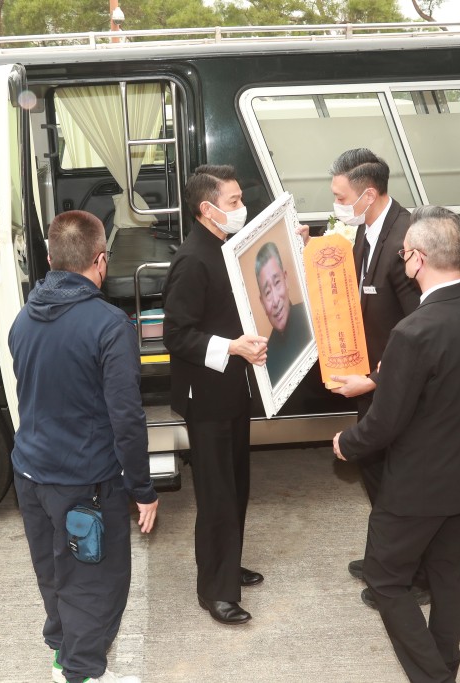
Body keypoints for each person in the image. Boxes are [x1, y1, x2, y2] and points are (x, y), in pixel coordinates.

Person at [333, 206, 460, 683]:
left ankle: (434, 677)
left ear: (415, 258)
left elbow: (385, 422)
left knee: (385, 579)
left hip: (417, 486)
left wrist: (346, 443)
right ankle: (446, 665)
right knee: (449, 574)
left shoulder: (413, 331)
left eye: (403, 255)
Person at [9, 210, 159, 683]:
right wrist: (142, 489)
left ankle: (62, 658)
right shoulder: (109, 325)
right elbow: (127, 418)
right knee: (97, 584)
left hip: (30, 474)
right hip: (84, 482)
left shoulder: (23, 318)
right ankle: (82, 673)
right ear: (101, 259)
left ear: (51, 257)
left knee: (55, 573)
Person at [162, 164, 268, 626]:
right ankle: (215, 592)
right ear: (207, 209)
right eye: (234, 202)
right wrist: (232, 347)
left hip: (232, 387)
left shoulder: (225, 246)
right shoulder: (193, 259)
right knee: (217, 494)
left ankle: (228, 562)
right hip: (205, 396)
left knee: (237, 484)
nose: (242, 208)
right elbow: (175, 335)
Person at [324, 148, 422, 606]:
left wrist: (377, 382)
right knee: (377, 474)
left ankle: (414, 576)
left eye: (341, 197)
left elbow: (420, 333)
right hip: (370, 374)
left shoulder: (406, 240)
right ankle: (385, 558)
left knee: (402, 482)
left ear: (368, 194)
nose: (337, 205)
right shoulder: (367, 227)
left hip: (395, 383)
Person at [254, 241, 312, 385]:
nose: (275, 300)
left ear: (286, 280)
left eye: (277, 282)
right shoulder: (266, 358)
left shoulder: (312, 318)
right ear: (262, 302)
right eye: (268, 292)